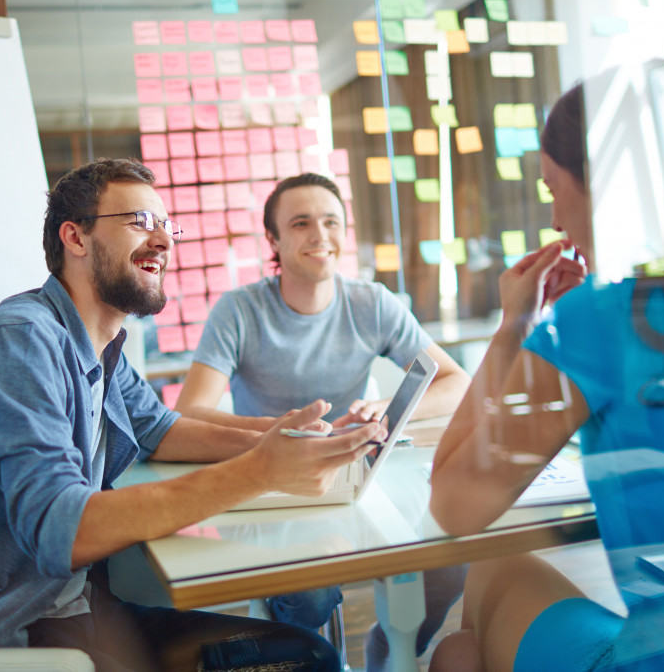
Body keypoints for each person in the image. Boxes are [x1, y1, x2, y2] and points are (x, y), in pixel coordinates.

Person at [0, 158, 386, 672]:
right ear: (75, 238)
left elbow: (158, 429)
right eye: (140, 222)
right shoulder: (22, 341)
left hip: (70, 605)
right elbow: (57, 529)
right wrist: (259, 471)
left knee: (308, 654)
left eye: (165, 225)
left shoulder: (102, 341)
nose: (163, 239)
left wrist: (279, 437)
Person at [427, 84, 664, 671]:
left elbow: (454, 505)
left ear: (604, 187)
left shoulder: (602, 318)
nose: (554, 216)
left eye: (555, 189)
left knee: (473, 610)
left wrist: (515, 329)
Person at [175, 172, 472, 670]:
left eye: (331, 221)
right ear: (273, 239)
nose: (320, 235)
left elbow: (455, 381)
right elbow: (187, 413)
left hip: (355, 479)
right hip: (273, 491)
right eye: (301, 222)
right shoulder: (239, 311)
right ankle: (314, 656)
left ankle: (386, 647)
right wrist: (284, 432)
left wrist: (386, 408)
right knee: (310, 596)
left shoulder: (371, 303)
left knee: (448, 562)